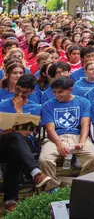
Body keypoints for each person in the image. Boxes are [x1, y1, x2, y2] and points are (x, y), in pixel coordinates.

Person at [0, 74, 54, 211]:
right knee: (12, 138)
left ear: (31, 91)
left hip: (22, 146)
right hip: (2, 143)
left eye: (24, 92)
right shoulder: (2, 105)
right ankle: (35, 173)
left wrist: (19, 110)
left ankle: (10, 199)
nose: (19, 94)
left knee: (15, 144)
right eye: (17, 90)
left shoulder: (35, 107)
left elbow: (24, 134)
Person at [38, 76, 94, 186]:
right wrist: (59, 144)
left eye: (60, 92)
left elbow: (85, 124)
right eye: (54, 92)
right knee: (45, 159)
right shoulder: (48, 105)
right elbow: (50, 128)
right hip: (56, 137)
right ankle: (53, 187)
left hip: (77, 135)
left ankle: (80, 184)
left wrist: (82, 141)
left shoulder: (83, 102)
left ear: (70, 89)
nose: (57, 95)